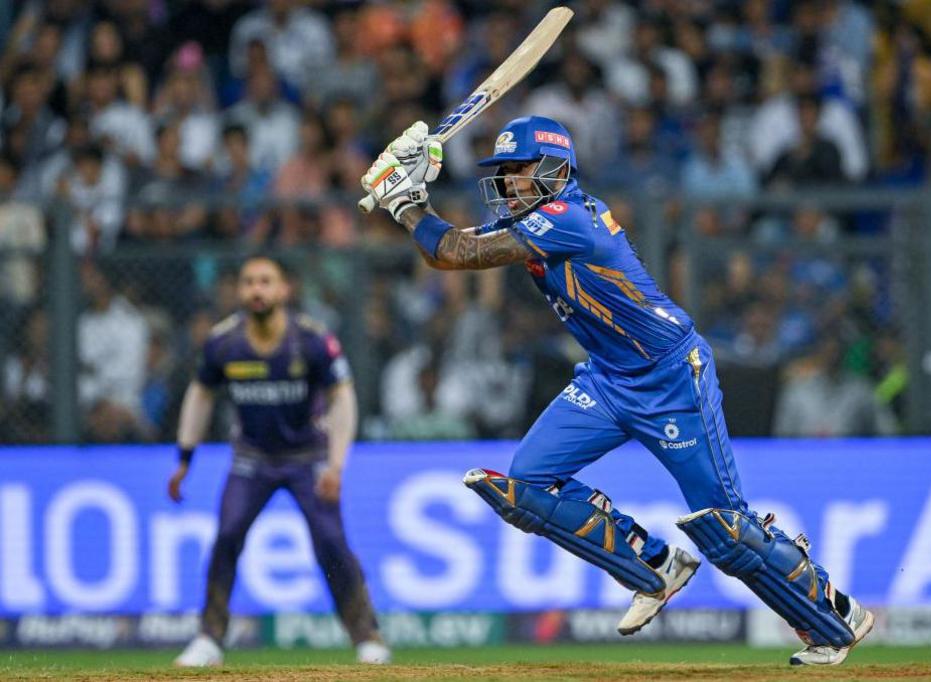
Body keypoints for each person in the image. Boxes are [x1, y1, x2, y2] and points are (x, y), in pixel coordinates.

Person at [360, 116, 874, 666]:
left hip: (672, 378)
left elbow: (453, 253)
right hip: (608, 379)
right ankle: (654, 566)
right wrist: (414, 195)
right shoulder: (541, 219)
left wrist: (406, 204)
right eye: (502, 174)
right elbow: (455, 246)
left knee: (725, 529)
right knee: (528, 484)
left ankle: (834, 614)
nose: (508, 184)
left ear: (556, 170)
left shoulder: (567, 217)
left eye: (518, 172)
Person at [168, 255, 389, 667]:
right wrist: (184, 456)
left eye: (266, 281)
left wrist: (337, 466)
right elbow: (200, 394)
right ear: (239, 291)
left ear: (284, 289)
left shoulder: (312, 340)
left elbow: (343, 396)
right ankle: (208, 639)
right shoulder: (223, 342)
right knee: (227, 535)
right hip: (251, 458)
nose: (256, 290)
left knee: (331, 542)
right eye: (249, 282)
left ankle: (367, 637)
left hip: (308, 458)